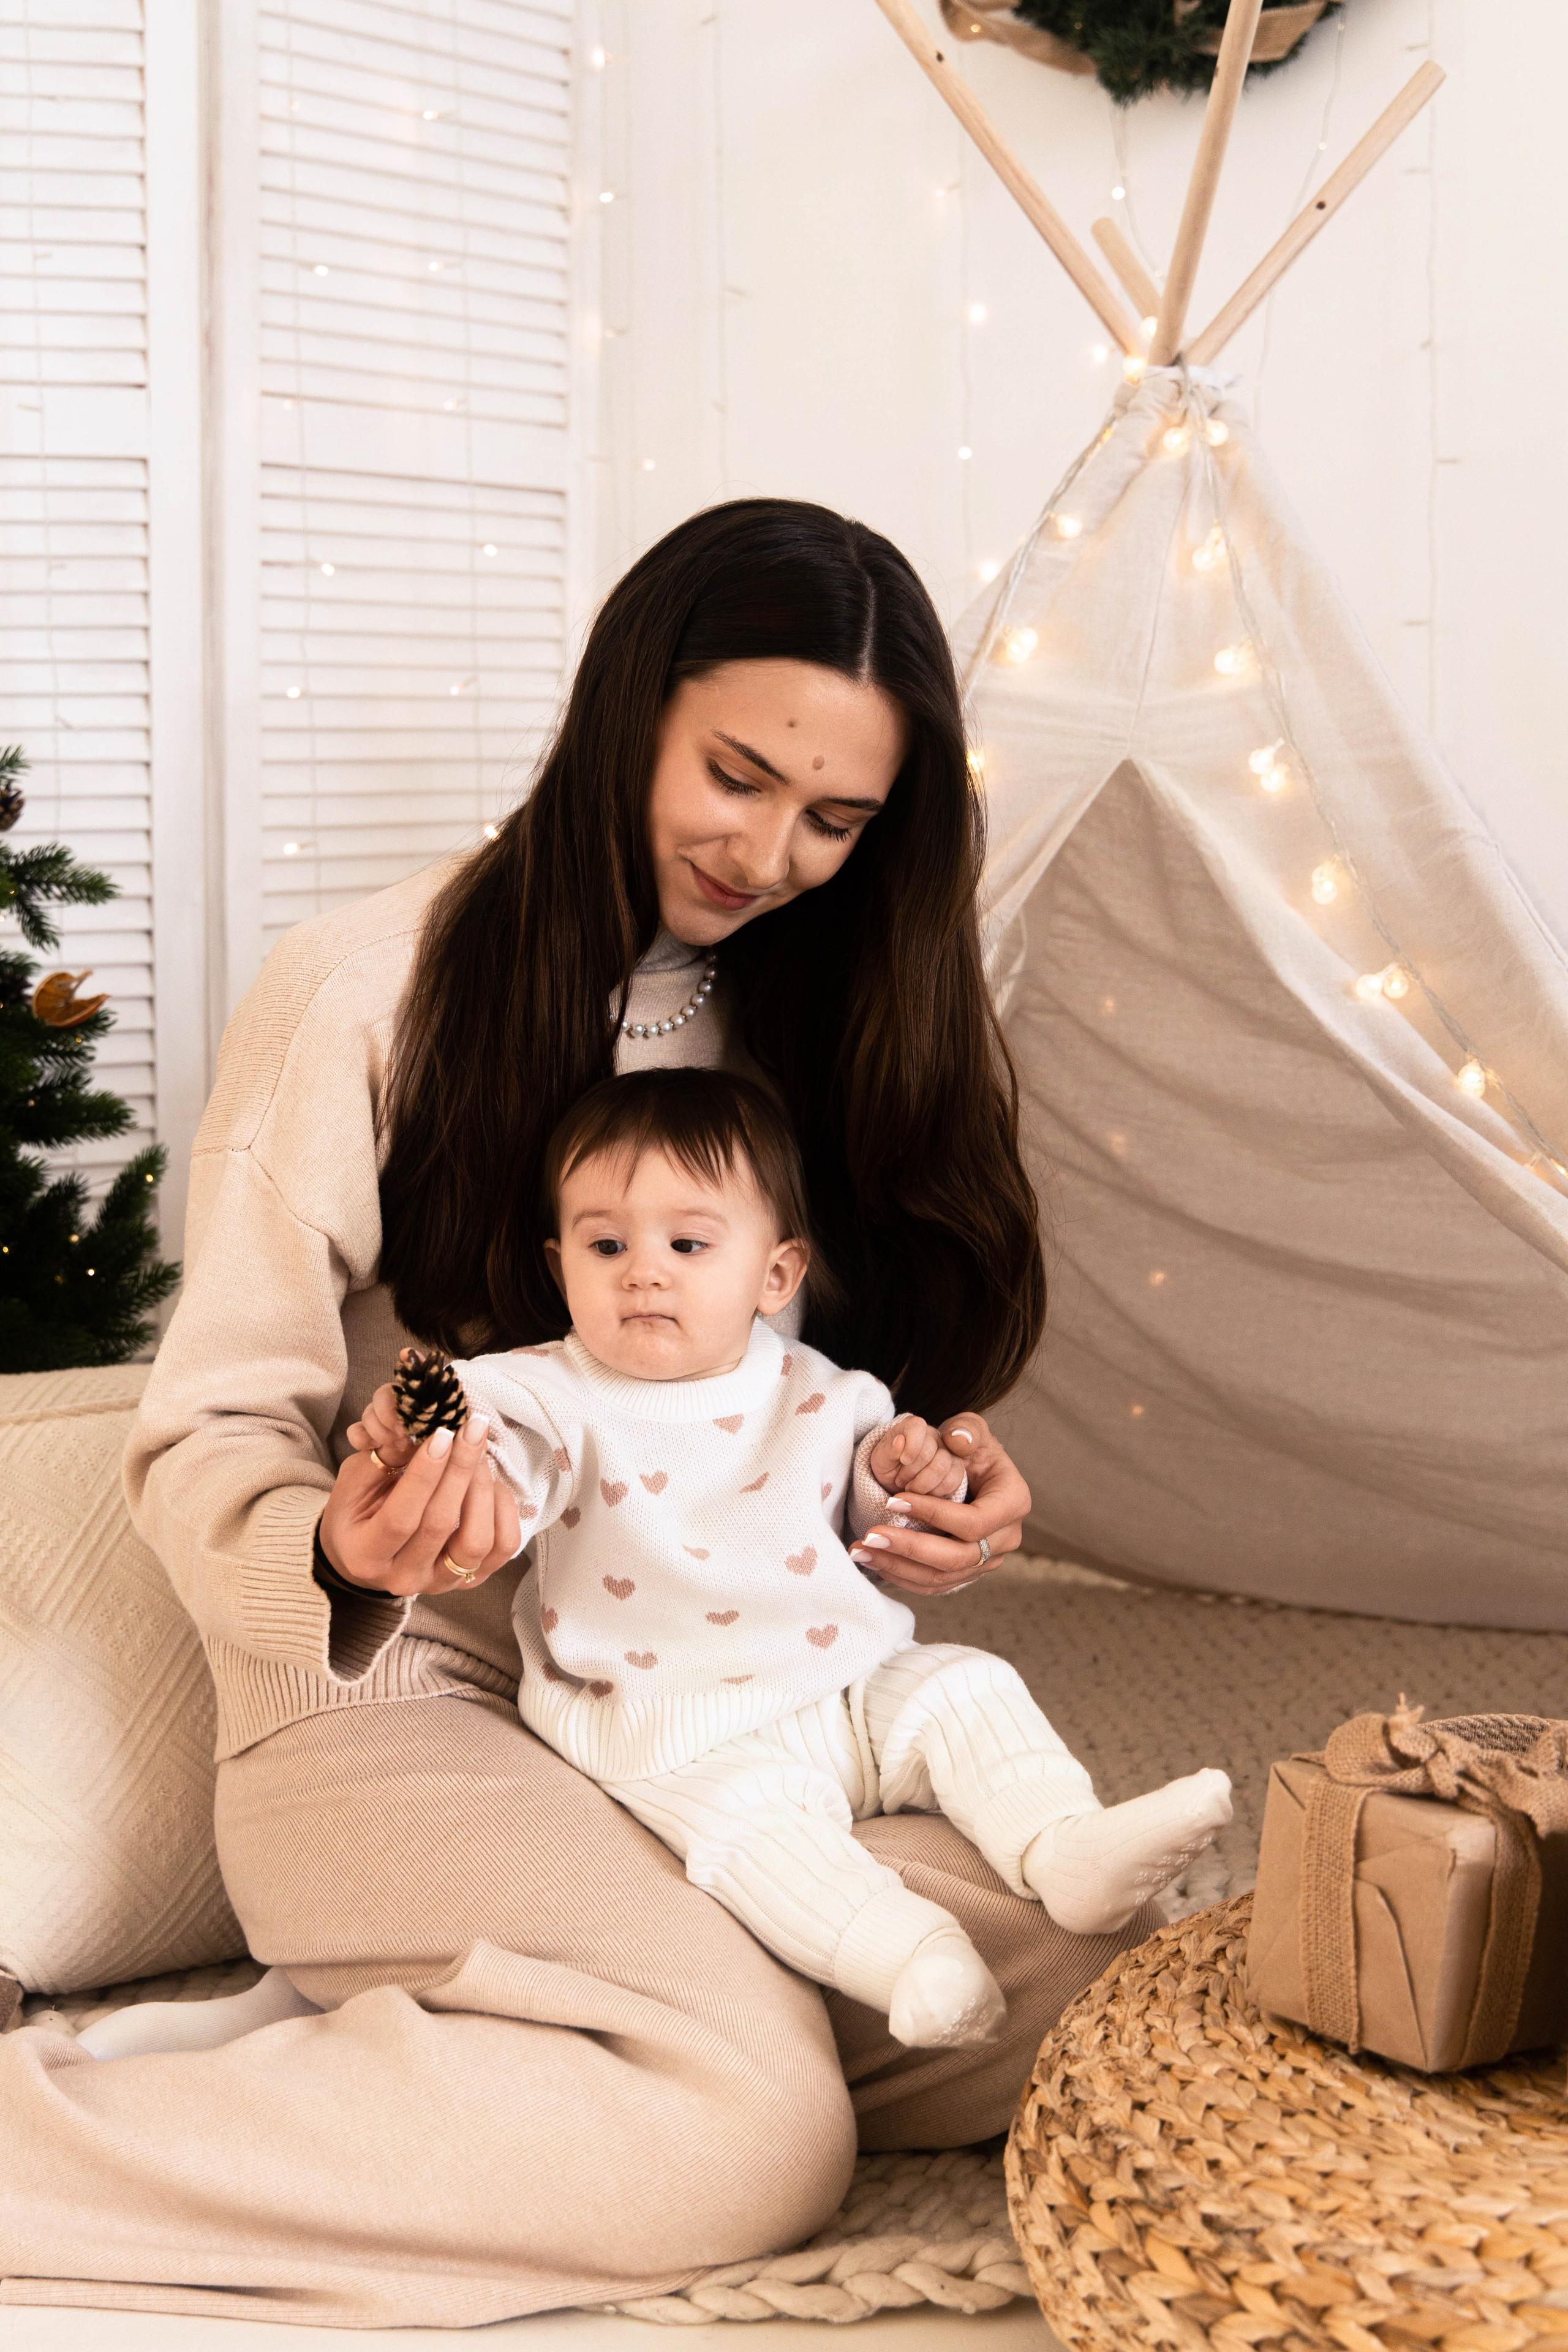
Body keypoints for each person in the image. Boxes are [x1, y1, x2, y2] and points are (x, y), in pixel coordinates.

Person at [1, 499, 1159, 2331]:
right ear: (630, 700)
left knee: (1118, 1973)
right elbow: (207, 1426)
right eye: (737, 774)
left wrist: (917, 1491)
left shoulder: (812, 1013)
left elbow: (789, 1407)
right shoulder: (364, 987)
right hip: (402, 1699)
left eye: (836, 820)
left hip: (721, 1706)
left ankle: (543, 2019)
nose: (773, 851)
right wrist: (338, 1545)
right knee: (744, 2136)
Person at [355, 1065, 1233, 2056]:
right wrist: (433, 1441)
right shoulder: (548, 1393)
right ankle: (912, 1960)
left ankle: (1062, 1846)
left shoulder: (823, 1391)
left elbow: (872, 1513)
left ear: (776, 1276)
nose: (644, 1271)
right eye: (606, 1246)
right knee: (755, 1841)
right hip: (680, 1727)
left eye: (687, 1244)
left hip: (844, 1685)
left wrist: (911, 1473)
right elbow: (495, 1467)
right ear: (561, 1266)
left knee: (965, 1687)